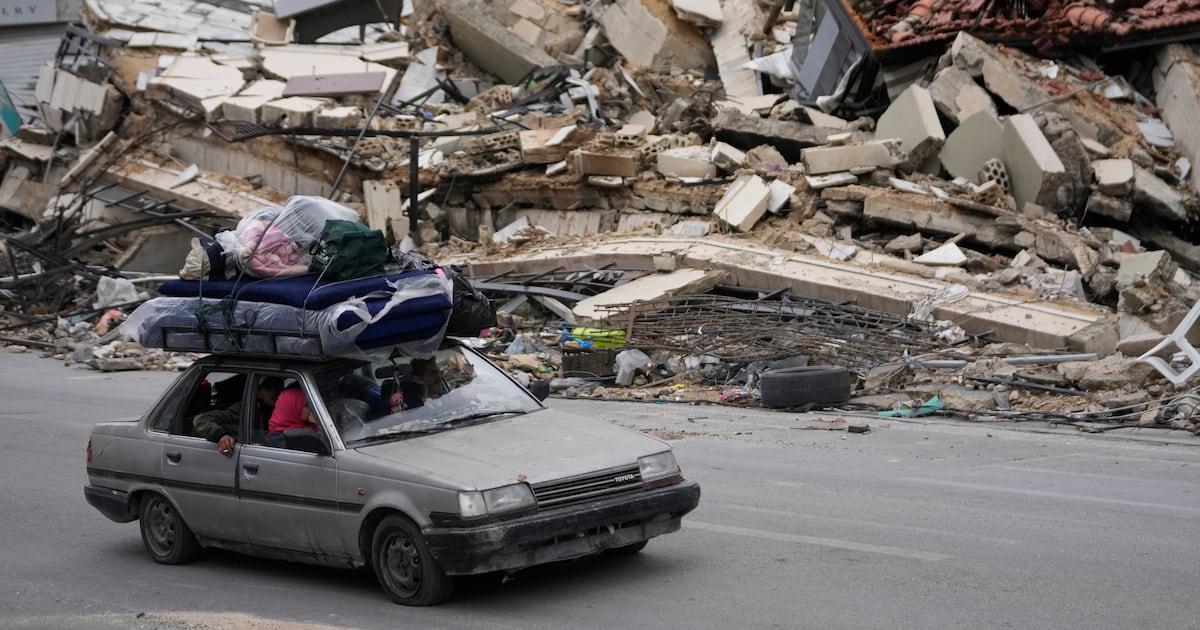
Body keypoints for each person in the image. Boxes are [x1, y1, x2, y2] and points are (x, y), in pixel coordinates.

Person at [193, 376, 284, 457]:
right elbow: (201, 419)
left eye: (277, 388)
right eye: (268, 389)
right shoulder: (244, 409)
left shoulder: (286, 410)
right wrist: (221, 435)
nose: (274, 393)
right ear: (258, 393)